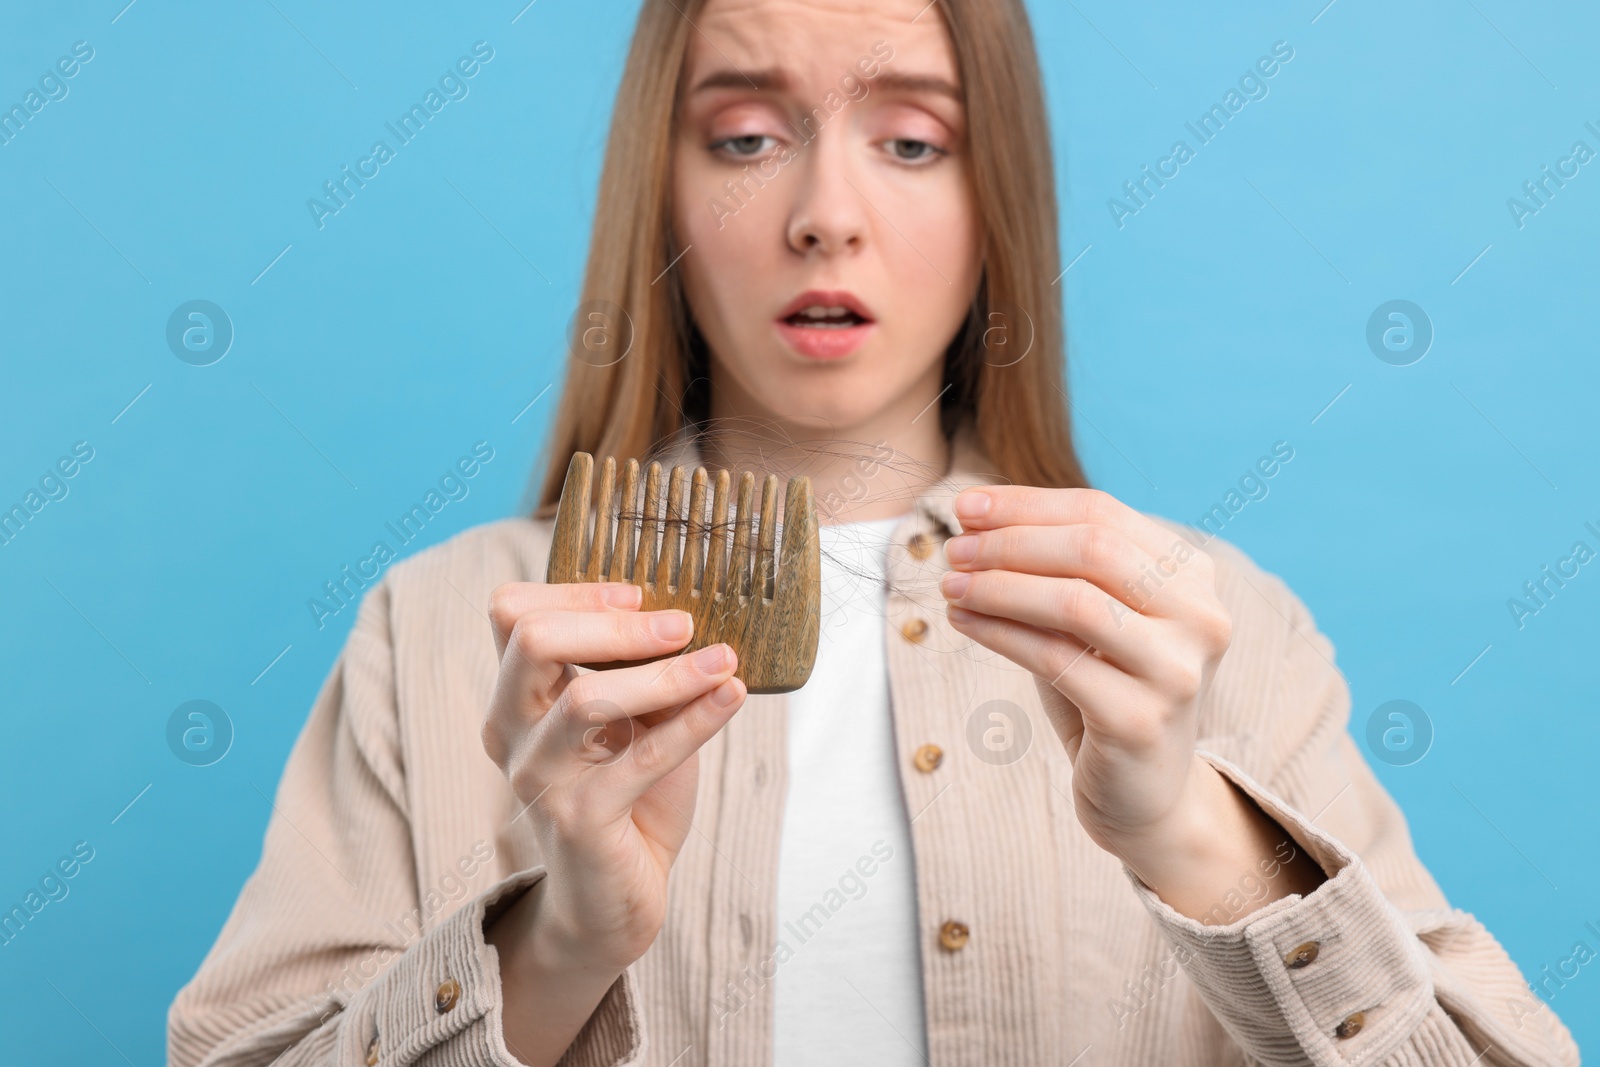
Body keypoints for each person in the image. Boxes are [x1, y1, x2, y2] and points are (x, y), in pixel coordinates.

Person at [168, 0, 1580, 1064]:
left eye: (912, 142)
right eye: (744, 137)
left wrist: (1199, 840)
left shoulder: (1207, 628)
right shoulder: (439, 625)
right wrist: (557, 947)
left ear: (994, 206)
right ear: (658, 187)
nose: (824, 216)